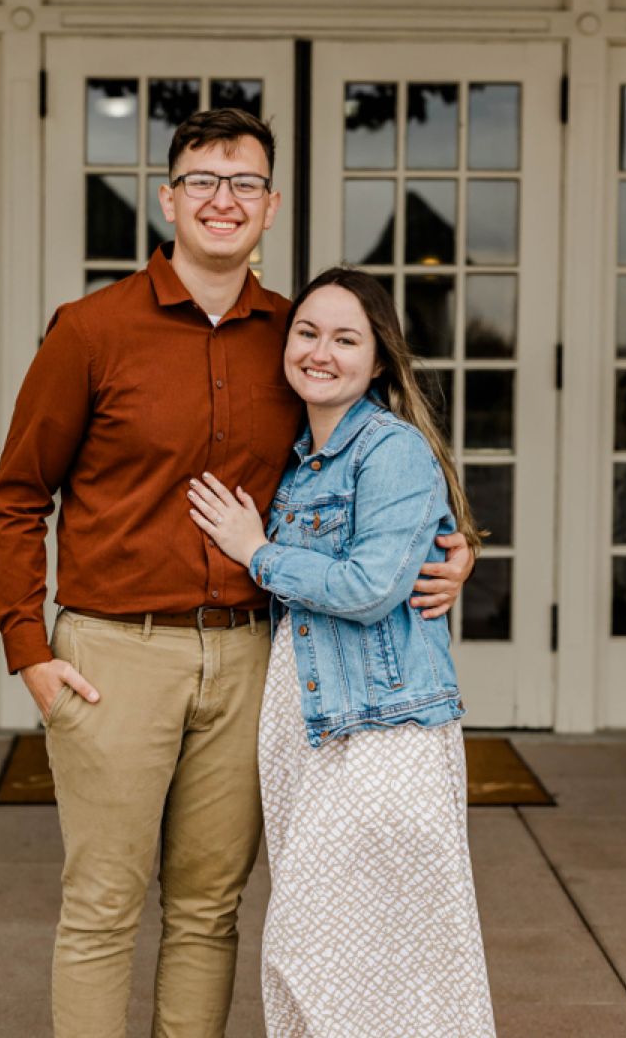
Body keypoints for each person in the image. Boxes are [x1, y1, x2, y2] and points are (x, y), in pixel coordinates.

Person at [0, 110, 476, 1038]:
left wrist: (454, 548)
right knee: (101, 907)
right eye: (202, 180)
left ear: (270, 205)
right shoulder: (90, 332)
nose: (223, 199)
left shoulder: (299, 338)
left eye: (244, 183)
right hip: (112, 656)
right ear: (168, 198)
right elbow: (16, 498)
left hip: (257, 659)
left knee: (210, 911)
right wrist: (28, 650)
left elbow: (382, 453)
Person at [186, 266, 496, 1037]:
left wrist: (257, 552)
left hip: (384, 734)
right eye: (308, 332)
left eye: (346, 338)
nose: (322, 351)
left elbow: (368, 587)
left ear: (380, 360)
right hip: (308, 725)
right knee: (341, 946)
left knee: (335, 943)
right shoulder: (298, 459)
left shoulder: (389, 450)